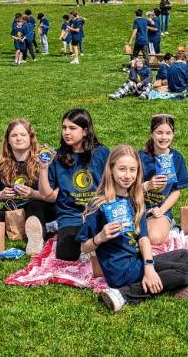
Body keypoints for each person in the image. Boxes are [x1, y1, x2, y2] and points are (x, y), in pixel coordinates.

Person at [78, 145, 188, 312]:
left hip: (136, 261)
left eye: (132, 170)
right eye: (122, 169)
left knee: (185, 254)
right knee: (186, 272)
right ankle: (122, 294)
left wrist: (148, 267)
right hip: (119, 270)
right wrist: (100, 237)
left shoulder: (135, 200)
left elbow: (144, 238)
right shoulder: (100, 204)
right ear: (111, 169)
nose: (127, 176)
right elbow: (83, 247)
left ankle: (167, 286)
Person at [38, 108, 110, 261]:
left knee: (113, 247)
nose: (66, 132)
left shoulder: (101, 153)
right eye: (64, 128)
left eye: (72, 128)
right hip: (71, 216)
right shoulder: (56, 157)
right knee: (67, 254)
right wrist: (43, 168)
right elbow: (45, 194)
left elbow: (112, 184)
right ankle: (60, 229)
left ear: (85, 131)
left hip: (98, 213)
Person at [0, 119, 57, 256]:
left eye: (23, 135)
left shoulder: (42, 159)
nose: (18, 138)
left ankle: (36, 239)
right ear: (8, 140)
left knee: (34, 205)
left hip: (38, 206)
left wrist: (32, 193)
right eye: (14, 135)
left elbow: (50, 195)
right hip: (12, 210)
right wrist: (2, 195)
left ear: (31, 138)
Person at [139, 115, 188, 245]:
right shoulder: (140, 157)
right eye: (159, 133)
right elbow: (127, 189)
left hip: (160, 210)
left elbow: (176, 191)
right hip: (137, 208)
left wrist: (161, 211)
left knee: (154, 238)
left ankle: (171, 226)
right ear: (151, 134)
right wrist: (147, 185)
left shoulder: (176, 158)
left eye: (168, 133)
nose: (164, 137)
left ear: (173, 134)